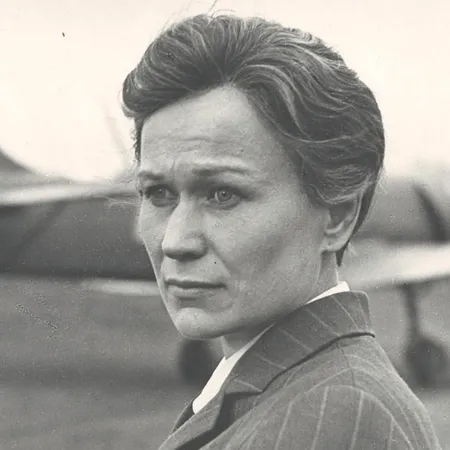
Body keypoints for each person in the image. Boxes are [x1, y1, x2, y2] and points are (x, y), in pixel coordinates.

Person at [122, 13, 442, 450]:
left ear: (337, 217)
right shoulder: (288, 390)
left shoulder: (337, 416)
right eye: (158, 194)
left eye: (223, 195)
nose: (175, 241)